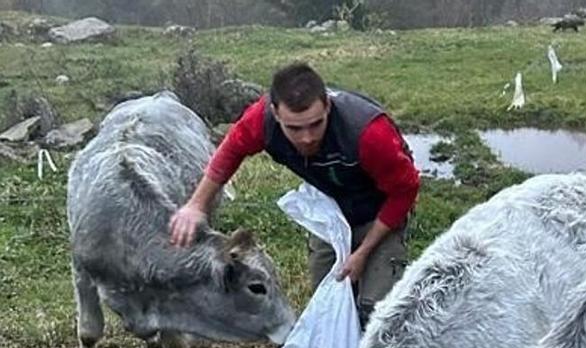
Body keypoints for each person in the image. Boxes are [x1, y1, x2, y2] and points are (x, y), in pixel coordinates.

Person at [169, 62, 420, 326]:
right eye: (295, 128)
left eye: (315, 124)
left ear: (327, 107)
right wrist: (196, 205)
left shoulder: (369, 134)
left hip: (379, 209)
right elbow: (230, 151)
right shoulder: (261, 121)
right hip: (332, 210)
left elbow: (405, 191)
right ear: (276, 113)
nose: (307, 138)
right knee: (328, 301)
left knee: (376, 310)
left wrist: (363, 252)